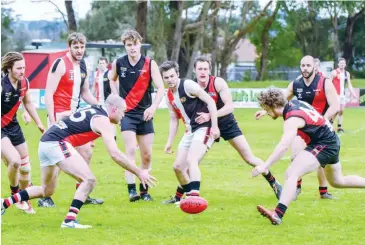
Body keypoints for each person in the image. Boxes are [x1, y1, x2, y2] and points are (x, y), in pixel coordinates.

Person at [1, 95, 157, 228]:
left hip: (45, 142)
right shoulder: (103, 120)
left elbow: (68, 120)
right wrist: (139, 172)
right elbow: (115, 154)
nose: (124, 116)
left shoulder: (94, 108)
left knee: (46, 191)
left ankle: (4, 204)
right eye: (123, 112)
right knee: (89, 180)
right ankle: (69, 220)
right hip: (56, 142)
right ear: (115, 109)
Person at [163, 56, 282, 204]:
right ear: (194, 70)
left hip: (226, 123)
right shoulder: (190, 85)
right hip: (205, 127)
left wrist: (210, 116)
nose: (203, 72)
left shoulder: (217, 82)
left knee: (249, 158)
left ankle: (274, 183)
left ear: (209, 70)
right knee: (189, 162)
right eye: (199, 69)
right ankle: (179, 197)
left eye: (205, 69)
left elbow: (230, 106)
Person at [251, 87, 365, 225]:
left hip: (324, 144)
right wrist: (265, 111)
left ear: (274, 105)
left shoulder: (292, 119)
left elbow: (283, 146)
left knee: (292, 173)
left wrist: (265, 165)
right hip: (331, 140)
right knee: (338, 181)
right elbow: (279, 107)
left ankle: (278, 214)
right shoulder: (294, 103)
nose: (267, 112)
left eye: (267, 108)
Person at [255, 55, 340, 200]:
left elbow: (336, 105)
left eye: (308, 65)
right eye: (302, 65)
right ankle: (295, 188)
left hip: (320, 127)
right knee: (295, 155)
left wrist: (322, 120)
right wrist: (265, 110)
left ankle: (323, 191)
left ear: (314, 66)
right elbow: (280, 99)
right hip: (301, 126)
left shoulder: (325, 82)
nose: (305, 68)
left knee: (321, 163)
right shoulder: (296, 84)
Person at [38, 32, 103, 208]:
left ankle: (82, 191)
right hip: (59, 118)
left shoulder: (83, 66)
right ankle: (45, 195)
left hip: (73, 118)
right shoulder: (60, 64)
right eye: (76, 47)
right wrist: (52, 120)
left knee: (87, 152)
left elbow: (85, 93)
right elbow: (49, 92)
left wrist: (100, 107)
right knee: (57, 160)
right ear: (69, 47)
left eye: (82, 47)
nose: (79, 50)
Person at [109, 30, 164, 202]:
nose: (132, 48)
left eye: (135, 44)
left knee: (146, 155)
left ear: (140, 44)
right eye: (129, 45)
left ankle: (144, 190)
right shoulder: (118, 63)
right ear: (125, 46)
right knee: (130, 149)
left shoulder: (150, 63)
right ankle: (131, 189)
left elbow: (161, 87)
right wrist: (116, 98)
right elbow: (111, 79)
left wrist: (154, 107)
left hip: (145, 114)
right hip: (127, 114)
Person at [160, 61, 220, 199]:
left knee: (192, 160)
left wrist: (215, 126)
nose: (170, 80)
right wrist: (169, 142)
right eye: (166, 77)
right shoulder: (168, 95)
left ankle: (195, 196)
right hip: (190, 131)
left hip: (204, 128)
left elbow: (210, 101)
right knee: (178, 167)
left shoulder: (188, 85)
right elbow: (174, 119)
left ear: (177, 74)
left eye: (172, 76)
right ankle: (189, 198)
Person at [1, 52, 45, 214]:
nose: (22, 71)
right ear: (9, 68)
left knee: (26, 169)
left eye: (24, 68)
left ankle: (23, 200)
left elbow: (28, 103)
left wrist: (39, 123)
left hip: (14, 127)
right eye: (19, 68)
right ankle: (15, 193)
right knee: (14, 162)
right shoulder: (1, 84)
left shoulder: (24, 82)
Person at [330, 58, 357, 133]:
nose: (342, 64)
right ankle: (330, 124)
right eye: (340, 63)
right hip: (335, 94)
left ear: (345, 65)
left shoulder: (346, 73)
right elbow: (328, 82)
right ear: (338, 64)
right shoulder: (334, 72)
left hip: (342, 95)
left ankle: (339, 127)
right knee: (336, 110)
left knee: (341, 111)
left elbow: (349, 85)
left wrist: (353, 93)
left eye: (343, 63)